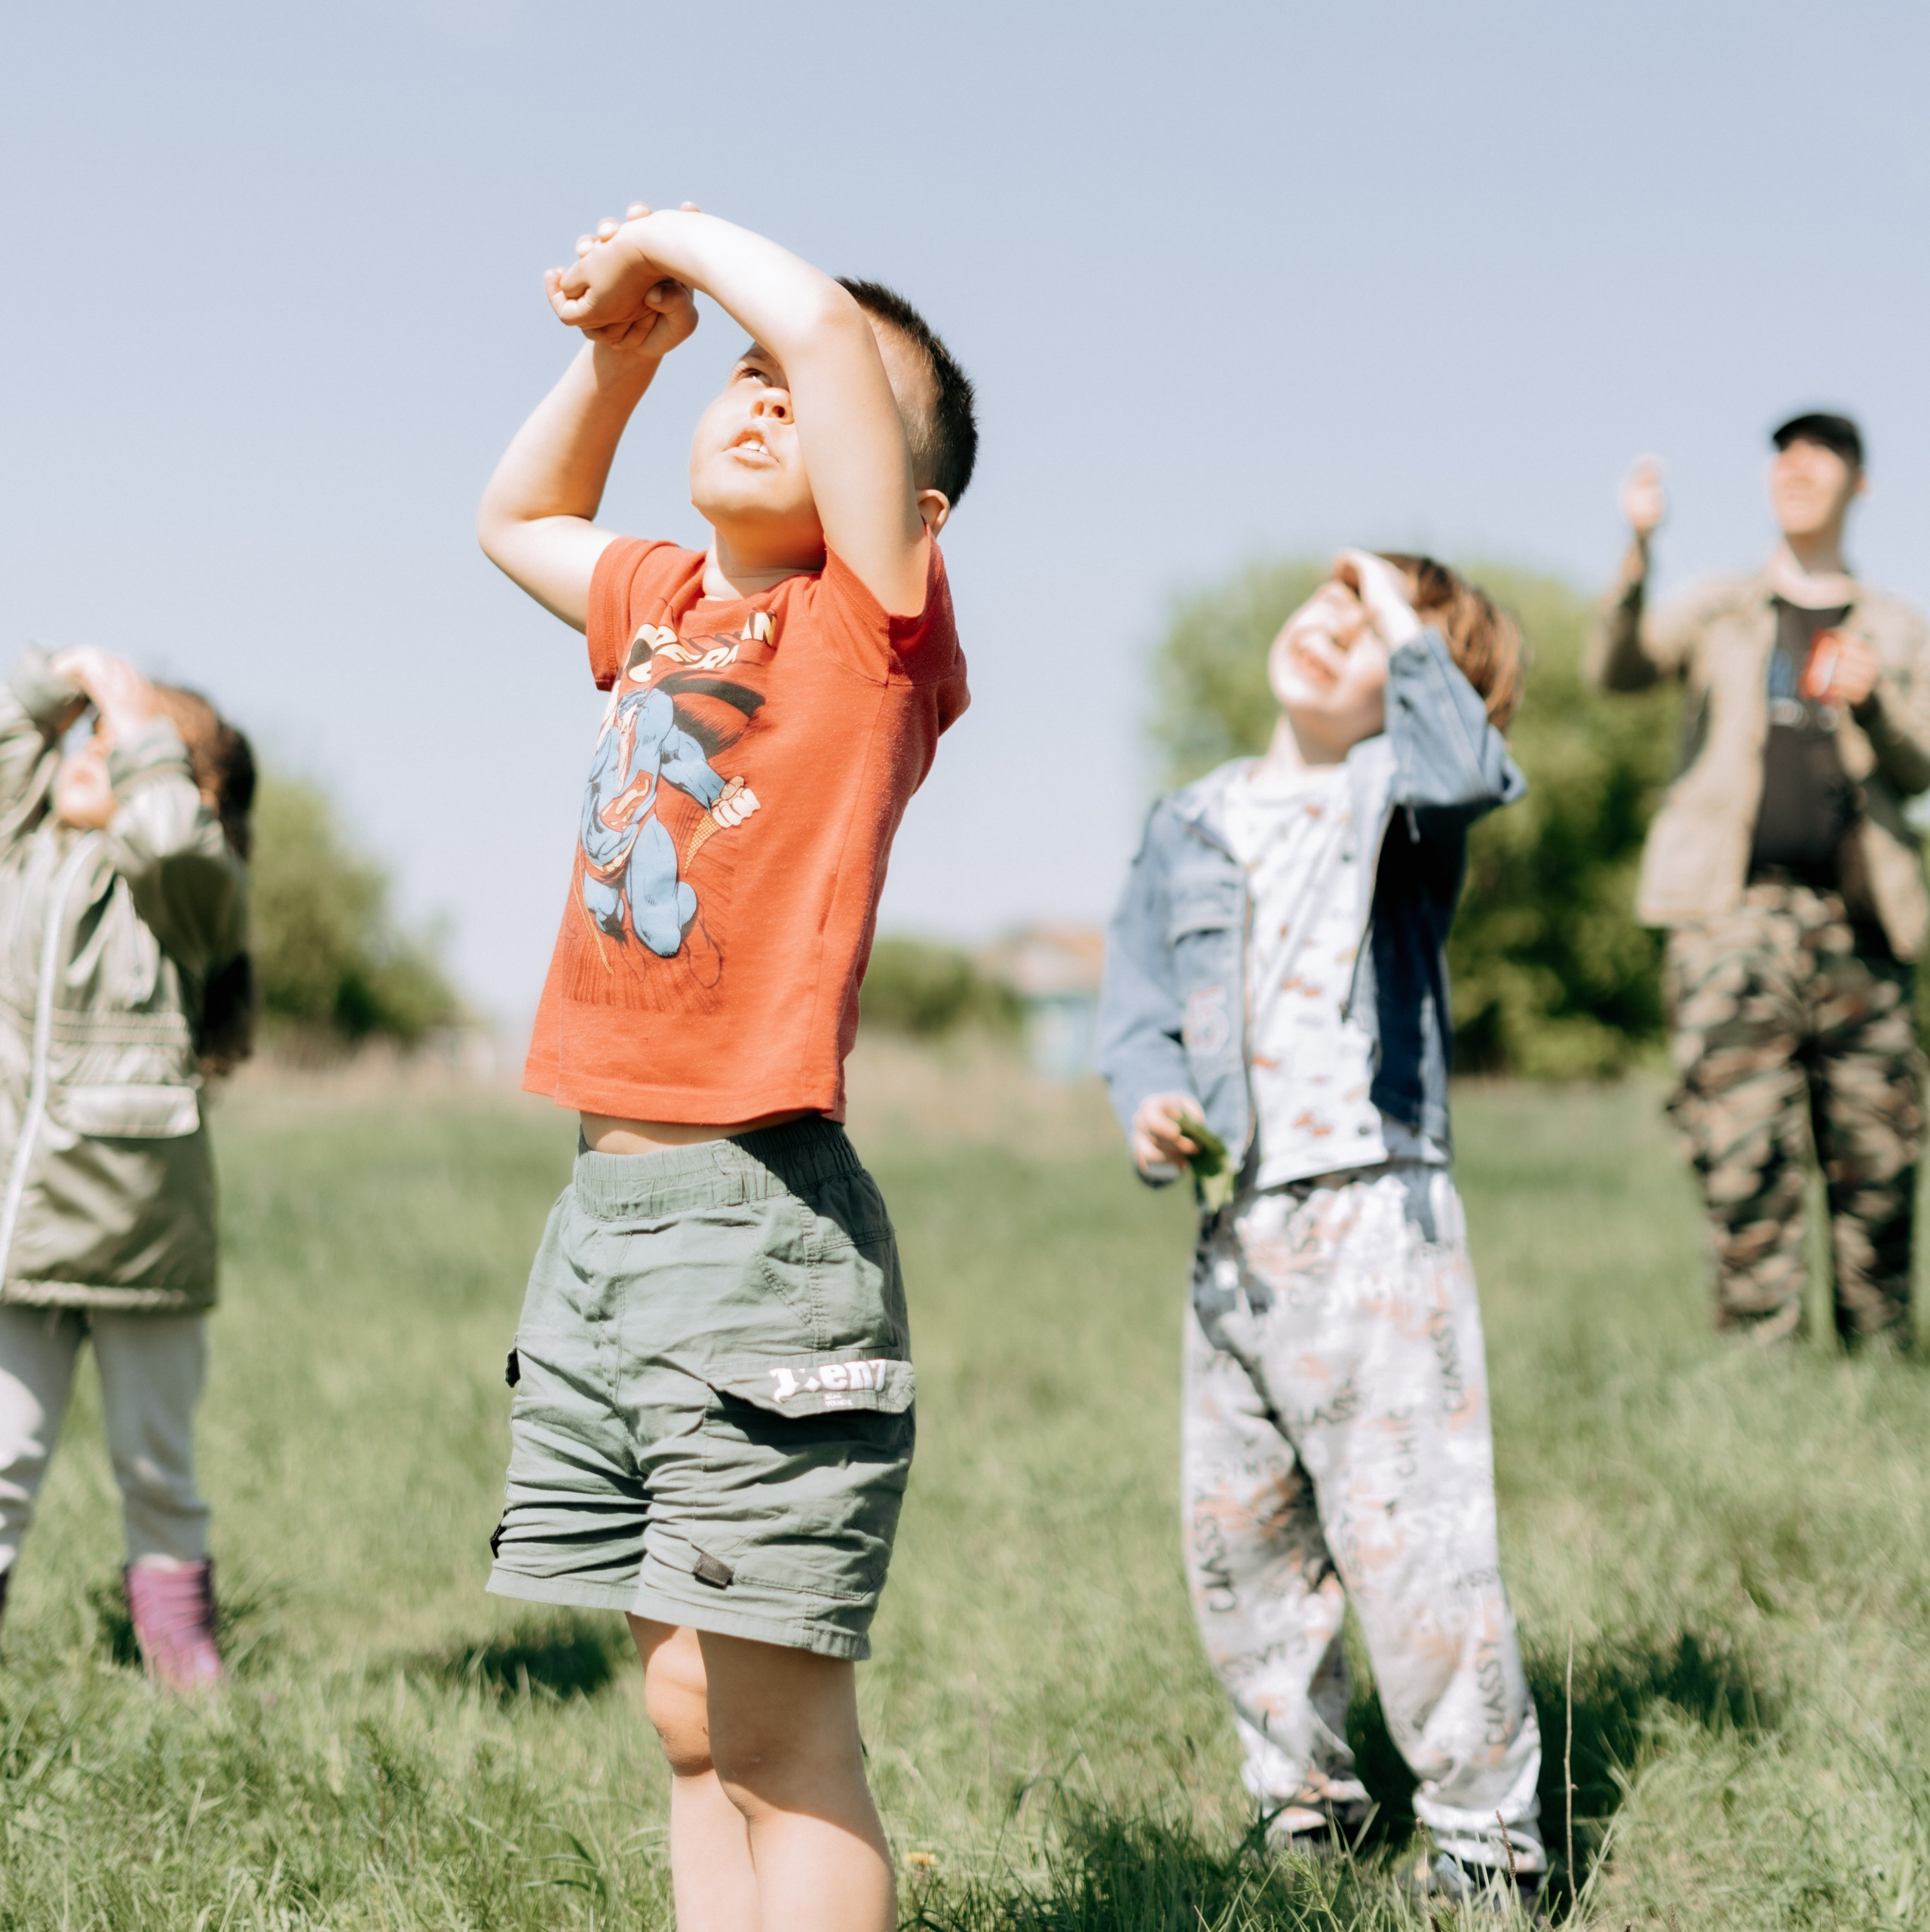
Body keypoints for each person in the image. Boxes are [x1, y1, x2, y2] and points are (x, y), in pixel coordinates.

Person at [476, 201, 974, 1932]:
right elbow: (517, 518)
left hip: (754, 1222)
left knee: (776, 1731)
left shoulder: (870, 625)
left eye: (798, 388)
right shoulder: (665, 600)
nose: (764, 390)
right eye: (734, 379)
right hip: (606, 1221)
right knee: (688, 1720)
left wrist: (659, 229)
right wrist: (619, 358)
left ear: (907, 510)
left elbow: (833, 337)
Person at [1099, 552, 1544, 1912]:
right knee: (1243, 1543)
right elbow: (1138, 1002)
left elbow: (1471, 766)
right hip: (1236, 1224)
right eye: (1328, 605)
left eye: (1376, 632)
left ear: (1421, 675)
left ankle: (1488, 1841)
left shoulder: (1403, 797)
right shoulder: (1193, 818)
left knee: (1410, 1533)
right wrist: (1147, 1101)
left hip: (1374, 1210)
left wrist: (1414, 629)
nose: (1333, 630)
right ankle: (1310, 1804)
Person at [1588, 413, 1930, 1347]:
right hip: (1730, 916)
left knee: (1882, 1161)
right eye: (1784, 452)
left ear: (1857, 484)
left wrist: (1880, 704)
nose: (1797, 467)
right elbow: (1613, 669)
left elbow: (1923, 766)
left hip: (1862, 922)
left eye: (1821, 454)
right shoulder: (1717, 607)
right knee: (1742, 1154)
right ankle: (1760, 1383)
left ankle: (1881, 1370)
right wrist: (1638, 549)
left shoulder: (1896, 626)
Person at [0, 645, 254, 1689]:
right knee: (2, 1457)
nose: (92, 747)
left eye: (126, 741)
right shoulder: (25, 858)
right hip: (20, 1228)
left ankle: (183, 1661)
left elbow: (171, 843)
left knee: (157, 1465)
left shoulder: (190, 895)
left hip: (139, 1232)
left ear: (186, 789)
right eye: (89, 731)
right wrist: (61, 686)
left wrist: (137, 717)